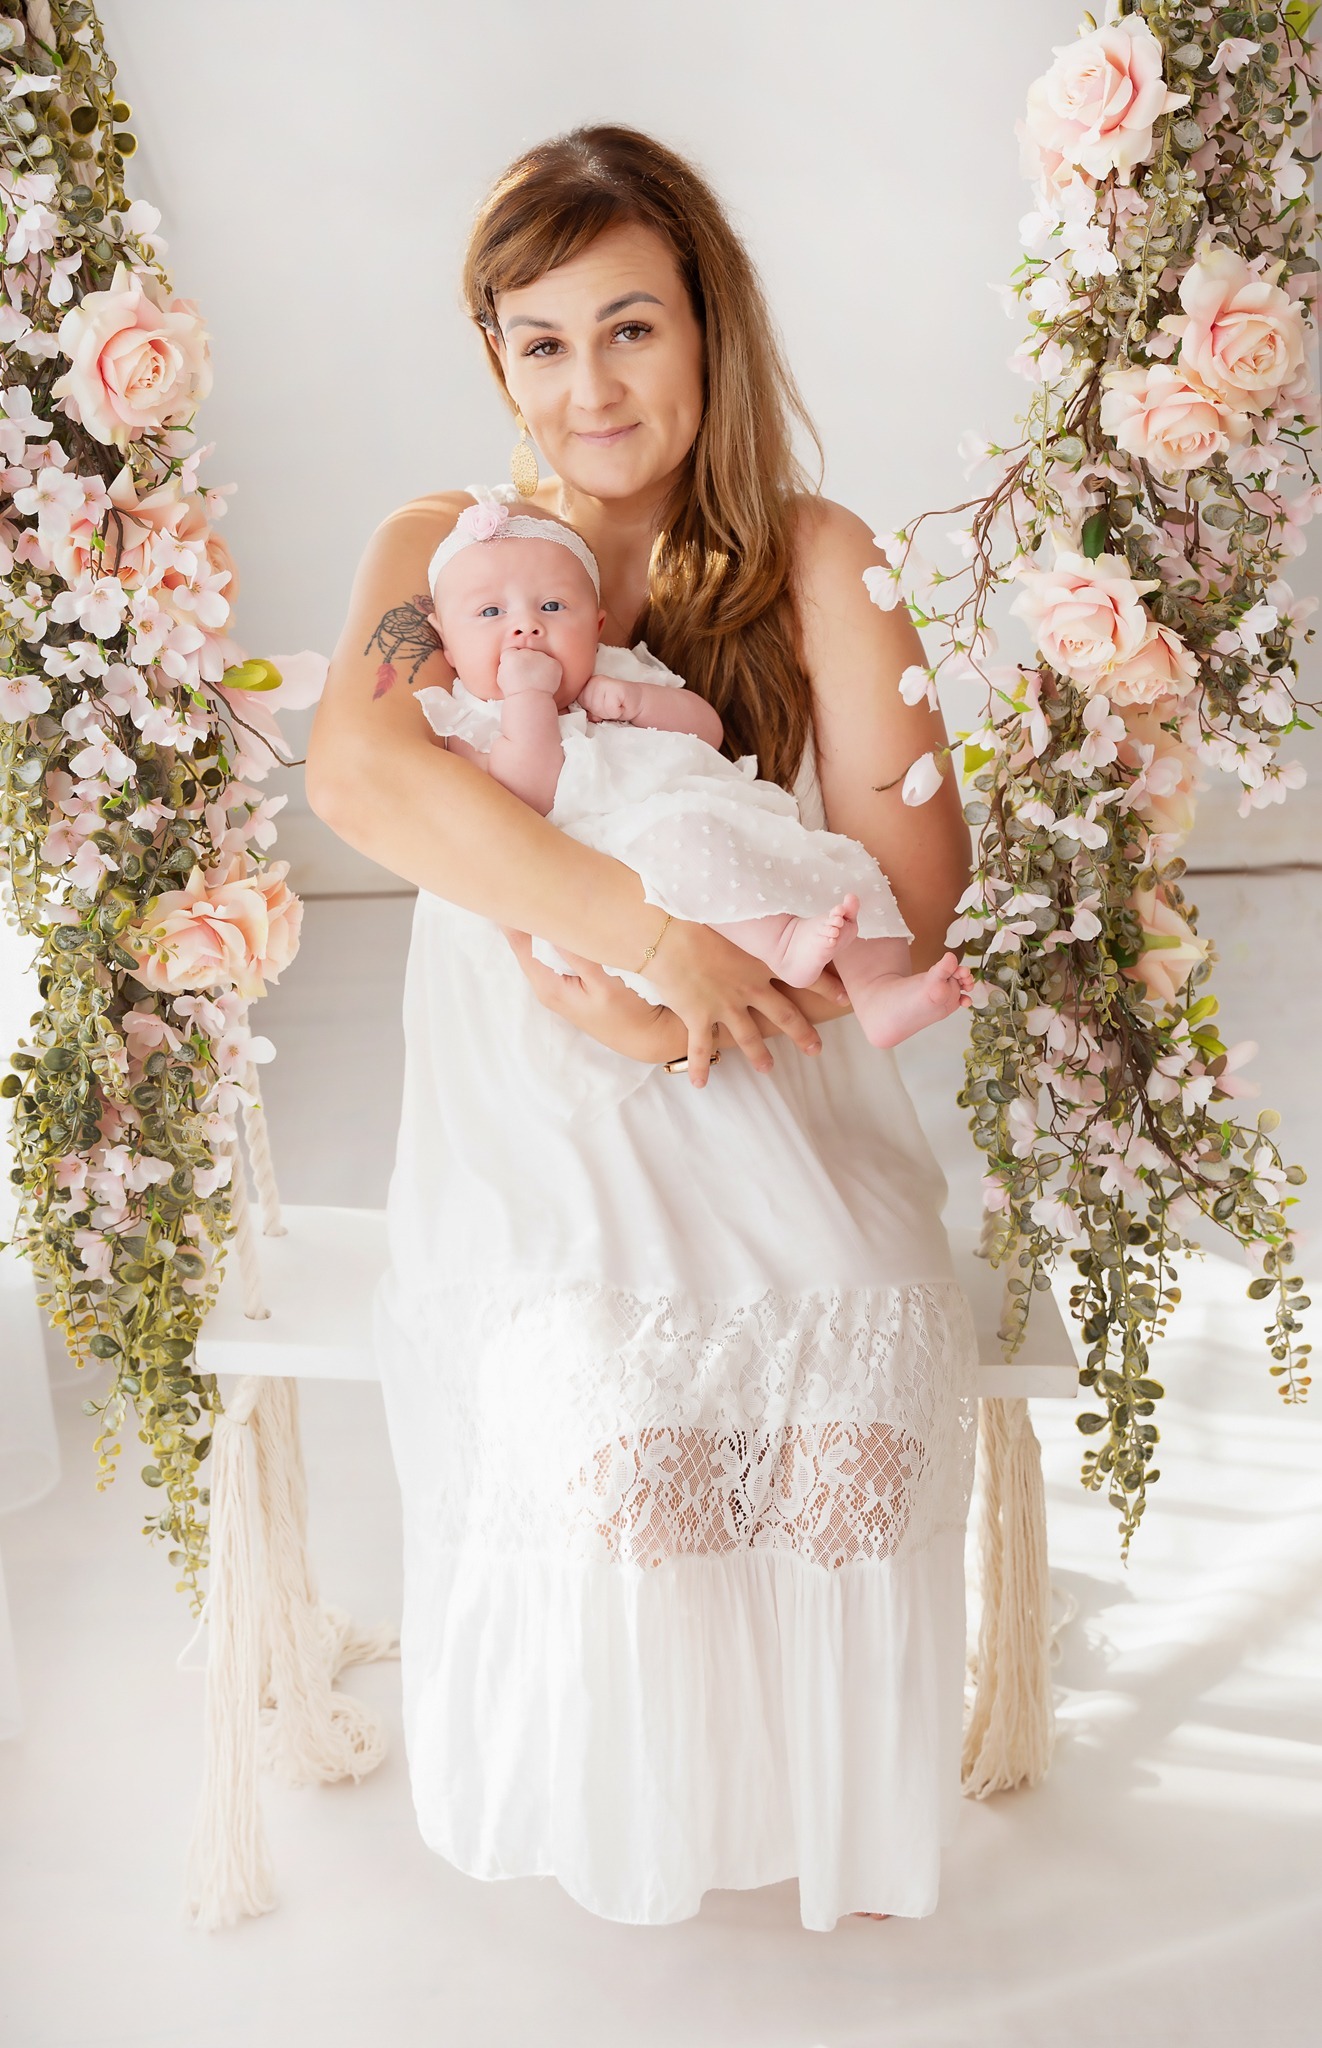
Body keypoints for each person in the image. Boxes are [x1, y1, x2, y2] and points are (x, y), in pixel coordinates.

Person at [307, 124, 978, 1932]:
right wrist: (641, 940)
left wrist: (703, 984)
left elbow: (918, 885)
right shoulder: (444, 553)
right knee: (609, 1390)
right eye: (541, 341)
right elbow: (362, 776)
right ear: (495, 361)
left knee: (843, 1367)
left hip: (763, 1054)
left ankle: (809, 1794)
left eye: (630, 328)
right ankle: (639, 1803)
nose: (589, 386)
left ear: (706, 327)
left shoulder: (809, 556)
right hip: (535, 1077)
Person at [422, 497, 974, 1039]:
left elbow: (706, 731)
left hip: (720, 818)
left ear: (597, 625)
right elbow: (527, 795)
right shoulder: (471, 720)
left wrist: (639, 702)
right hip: (628, 868)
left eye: (552, 607)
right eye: (490, 613)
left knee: (841, 865)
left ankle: (879, 990)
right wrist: (529, 699)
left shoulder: (617, 671)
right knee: (687, 840)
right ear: (447, 644)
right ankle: (782, 943)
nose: (525, 628)